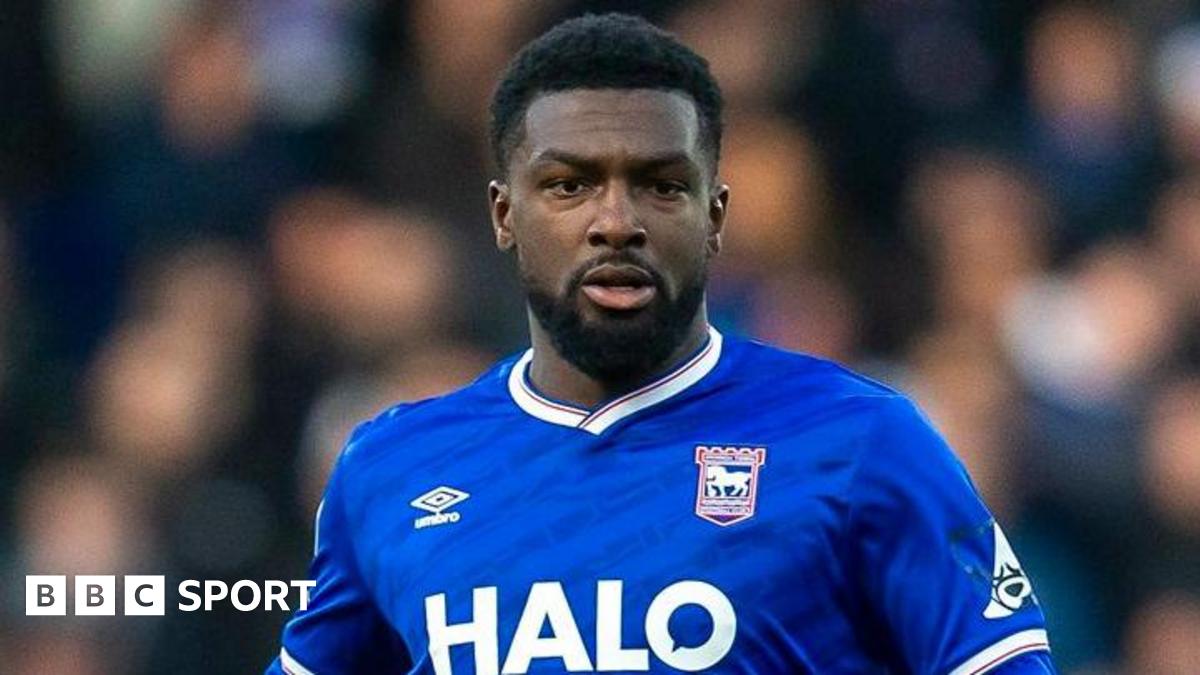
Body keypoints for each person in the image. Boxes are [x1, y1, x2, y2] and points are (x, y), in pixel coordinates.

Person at [267, 13, 1054, 674]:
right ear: (505, 214)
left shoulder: (862, 440)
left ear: (714, 215)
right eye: (569, 184)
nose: (616, 221)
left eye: (661, 184)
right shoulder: (392, 467)